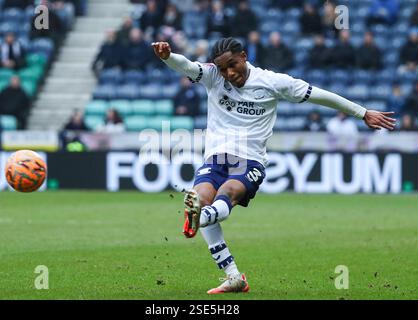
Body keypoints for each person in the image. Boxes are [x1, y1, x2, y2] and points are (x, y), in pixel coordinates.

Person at [151, 38, 396, 294]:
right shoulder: (213, 76)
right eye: (223, 69)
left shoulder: (272, 82)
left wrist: (362, 112)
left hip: (250, 160)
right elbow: (188, 66)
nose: (229, 73)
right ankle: (233, 276)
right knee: (199, 198)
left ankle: (200, 217)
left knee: (226, 196)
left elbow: (319, 95)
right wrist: (168, 56)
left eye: (233, 65)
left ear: (244, 56)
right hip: (216, 158)